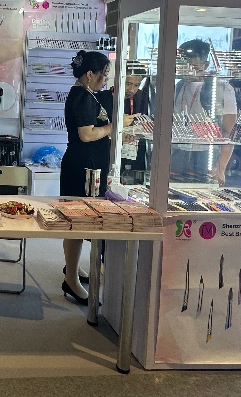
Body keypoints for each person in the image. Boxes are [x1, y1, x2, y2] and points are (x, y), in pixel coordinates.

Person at [60, 50, 112, 305]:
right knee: (76, 222)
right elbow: (87, 134)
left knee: (78, 222)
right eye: (103, 75)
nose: (106, 80)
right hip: (81, 167)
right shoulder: (81, 95)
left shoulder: (87, 93)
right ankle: (71, 279)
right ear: (90, 74)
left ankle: (72, 269)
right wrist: (113, 127)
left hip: (86, 165)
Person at [172, 39, 237, 186]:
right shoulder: (178, 86)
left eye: (194, 67)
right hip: (176, 152)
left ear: (205, 65)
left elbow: (229, 132)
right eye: (183, 66)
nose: (188, 71)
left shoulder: (222, 88)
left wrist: (220, 168)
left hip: (206, 154)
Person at [120, 64, 150, 178]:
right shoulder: (105, 98)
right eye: (128, 84)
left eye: (136, 85)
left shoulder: (144, 98)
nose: (131, 89)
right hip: (112, 152)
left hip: (137, 153)